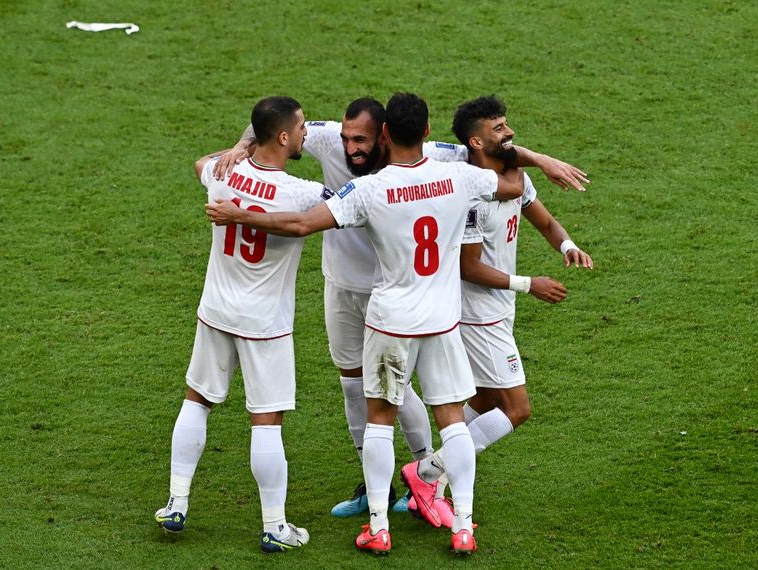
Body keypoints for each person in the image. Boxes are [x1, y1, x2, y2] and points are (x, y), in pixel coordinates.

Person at [211, 97, 590, 518]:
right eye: (347, 138)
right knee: (355, 386)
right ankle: (389, 488)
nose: (352, 148)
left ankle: (425, 473)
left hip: (391, 296)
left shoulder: (430, 162)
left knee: (399, 393)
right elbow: (270, 125)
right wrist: (239, 147)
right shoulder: (331, 142)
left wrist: (538, 159)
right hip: (343, 286)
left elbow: (486, 153)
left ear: (386, 137)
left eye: (363, 141)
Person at [406, 95, 594, 517]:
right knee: (517, 408)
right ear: (475, 142)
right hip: (478, 314)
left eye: (507, 124)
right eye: (498, 128)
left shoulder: (515, 177)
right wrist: (531, 284)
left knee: (487, 399)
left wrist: (568, 245)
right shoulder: (471, 195)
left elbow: (543, 220)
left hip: (497, 309)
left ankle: (427, 482)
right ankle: (430, 473)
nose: (508, 133)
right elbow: (467, 268)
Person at [154, 96, 325, 553]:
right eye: (302, 127)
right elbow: (324, 215)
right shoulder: (300, 191)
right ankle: (274, 525)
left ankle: (176, 503)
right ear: (284, 137)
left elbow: (199, 163)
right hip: (264, 324)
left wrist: (238, 146)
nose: (307, 133)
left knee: (198, 400)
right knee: (266, 421)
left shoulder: (221, 173)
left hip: (215, 310)